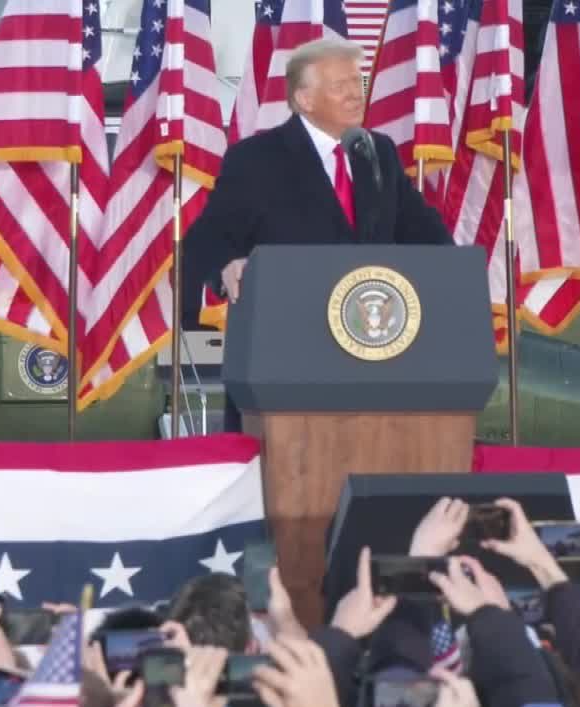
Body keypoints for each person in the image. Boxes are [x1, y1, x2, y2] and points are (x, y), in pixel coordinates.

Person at [182, 37, 454, 431]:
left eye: (356, 83)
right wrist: (227, 265)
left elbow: (422, 230)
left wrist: (453, 272)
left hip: (374, 359)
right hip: (284, 359)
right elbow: (207, 239)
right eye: (339, 85)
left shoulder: (376, 151)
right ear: (304, 99)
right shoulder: (257, 159)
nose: (354, 94)